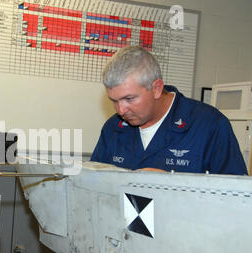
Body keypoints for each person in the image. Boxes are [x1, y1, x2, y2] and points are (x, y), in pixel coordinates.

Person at [91, 45, 248, 175]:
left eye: (129, 99)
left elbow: (235, 198)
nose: (121, 110)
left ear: (157, 88)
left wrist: (173, 186)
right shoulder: (113, 128)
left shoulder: (209, 125)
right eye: (114, 101)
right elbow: (95, 186)